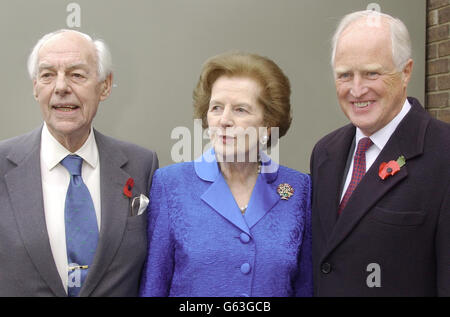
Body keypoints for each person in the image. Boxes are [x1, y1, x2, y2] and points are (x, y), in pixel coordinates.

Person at [140, 52, 312, 297]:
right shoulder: (171, 184)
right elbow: (153, 287)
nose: (224, 120)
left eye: (240, 110)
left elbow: (306, 288)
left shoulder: (298, 188)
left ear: (268, 123)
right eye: (216, 107)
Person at [0, 29, 158, 296]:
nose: (61, 87)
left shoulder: (142, 166)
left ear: (105, 85)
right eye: (48, 75)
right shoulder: (3, 165)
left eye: (76, 75)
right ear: (35, 87)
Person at [310, 10, 450, 296]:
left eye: (371, 73)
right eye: (345, 75)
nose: (357, 90)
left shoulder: (443, 153)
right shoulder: (325, 152)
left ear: (406, 72)